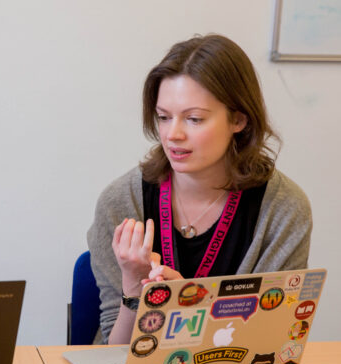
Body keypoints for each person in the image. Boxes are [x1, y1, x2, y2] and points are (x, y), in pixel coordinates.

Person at [87, 34, 311, 344]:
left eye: (194, 119)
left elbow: (269, 342)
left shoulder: (283, 209)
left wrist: (189, 304)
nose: (172, 135)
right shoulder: (121, 202)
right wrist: (134, 288)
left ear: (239, 120)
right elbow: (111, 354)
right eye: (164, 118)